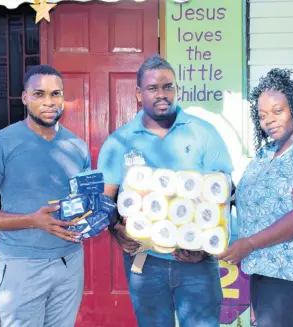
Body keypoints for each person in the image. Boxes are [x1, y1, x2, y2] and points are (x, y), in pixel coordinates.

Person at [97, 54, 233, 327]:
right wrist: (116, 231)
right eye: (152, 88)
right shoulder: (119, 141)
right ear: (138, 93)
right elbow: (104, 199)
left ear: (176, 89)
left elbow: (225, 194)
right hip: (144, 263)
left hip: (197, 262)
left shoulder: (203, 133)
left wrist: (205, 249)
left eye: (168, 86)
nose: (162, 94)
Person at [0, 65, 89, 327]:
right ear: (24, 97)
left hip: (70, 262)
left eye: (56, 94)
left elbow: (83, 202)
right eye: (39, 94)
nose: (49, 102)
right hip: (22, 265)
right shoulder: (2, 144)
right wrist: (33, 220)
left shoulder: (77, 146)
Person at [217, 68, 293, 327]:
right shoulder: (266, 153)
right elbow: (251, 199)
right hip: (263, 268)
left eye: (278, 111)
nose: (269, 120)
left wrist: (247, 245)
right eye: (262, 115)